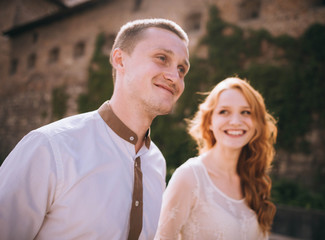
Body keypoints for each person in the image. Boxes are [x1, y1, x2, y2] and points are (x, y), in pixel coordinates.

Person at [0, 18, 190, 240]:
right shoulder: (49, 148)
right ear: (120, 60)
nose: (174, 77)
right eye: (162, 58)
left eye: (181, 69)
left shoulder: (157, 163)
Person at [155, 77, 277, 240]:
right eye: (224, 112)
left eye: (246, 112)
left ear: (256, 123)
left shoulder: (254, 179)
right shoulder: (190, 177)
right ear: (210, 121)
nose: (235, 121)